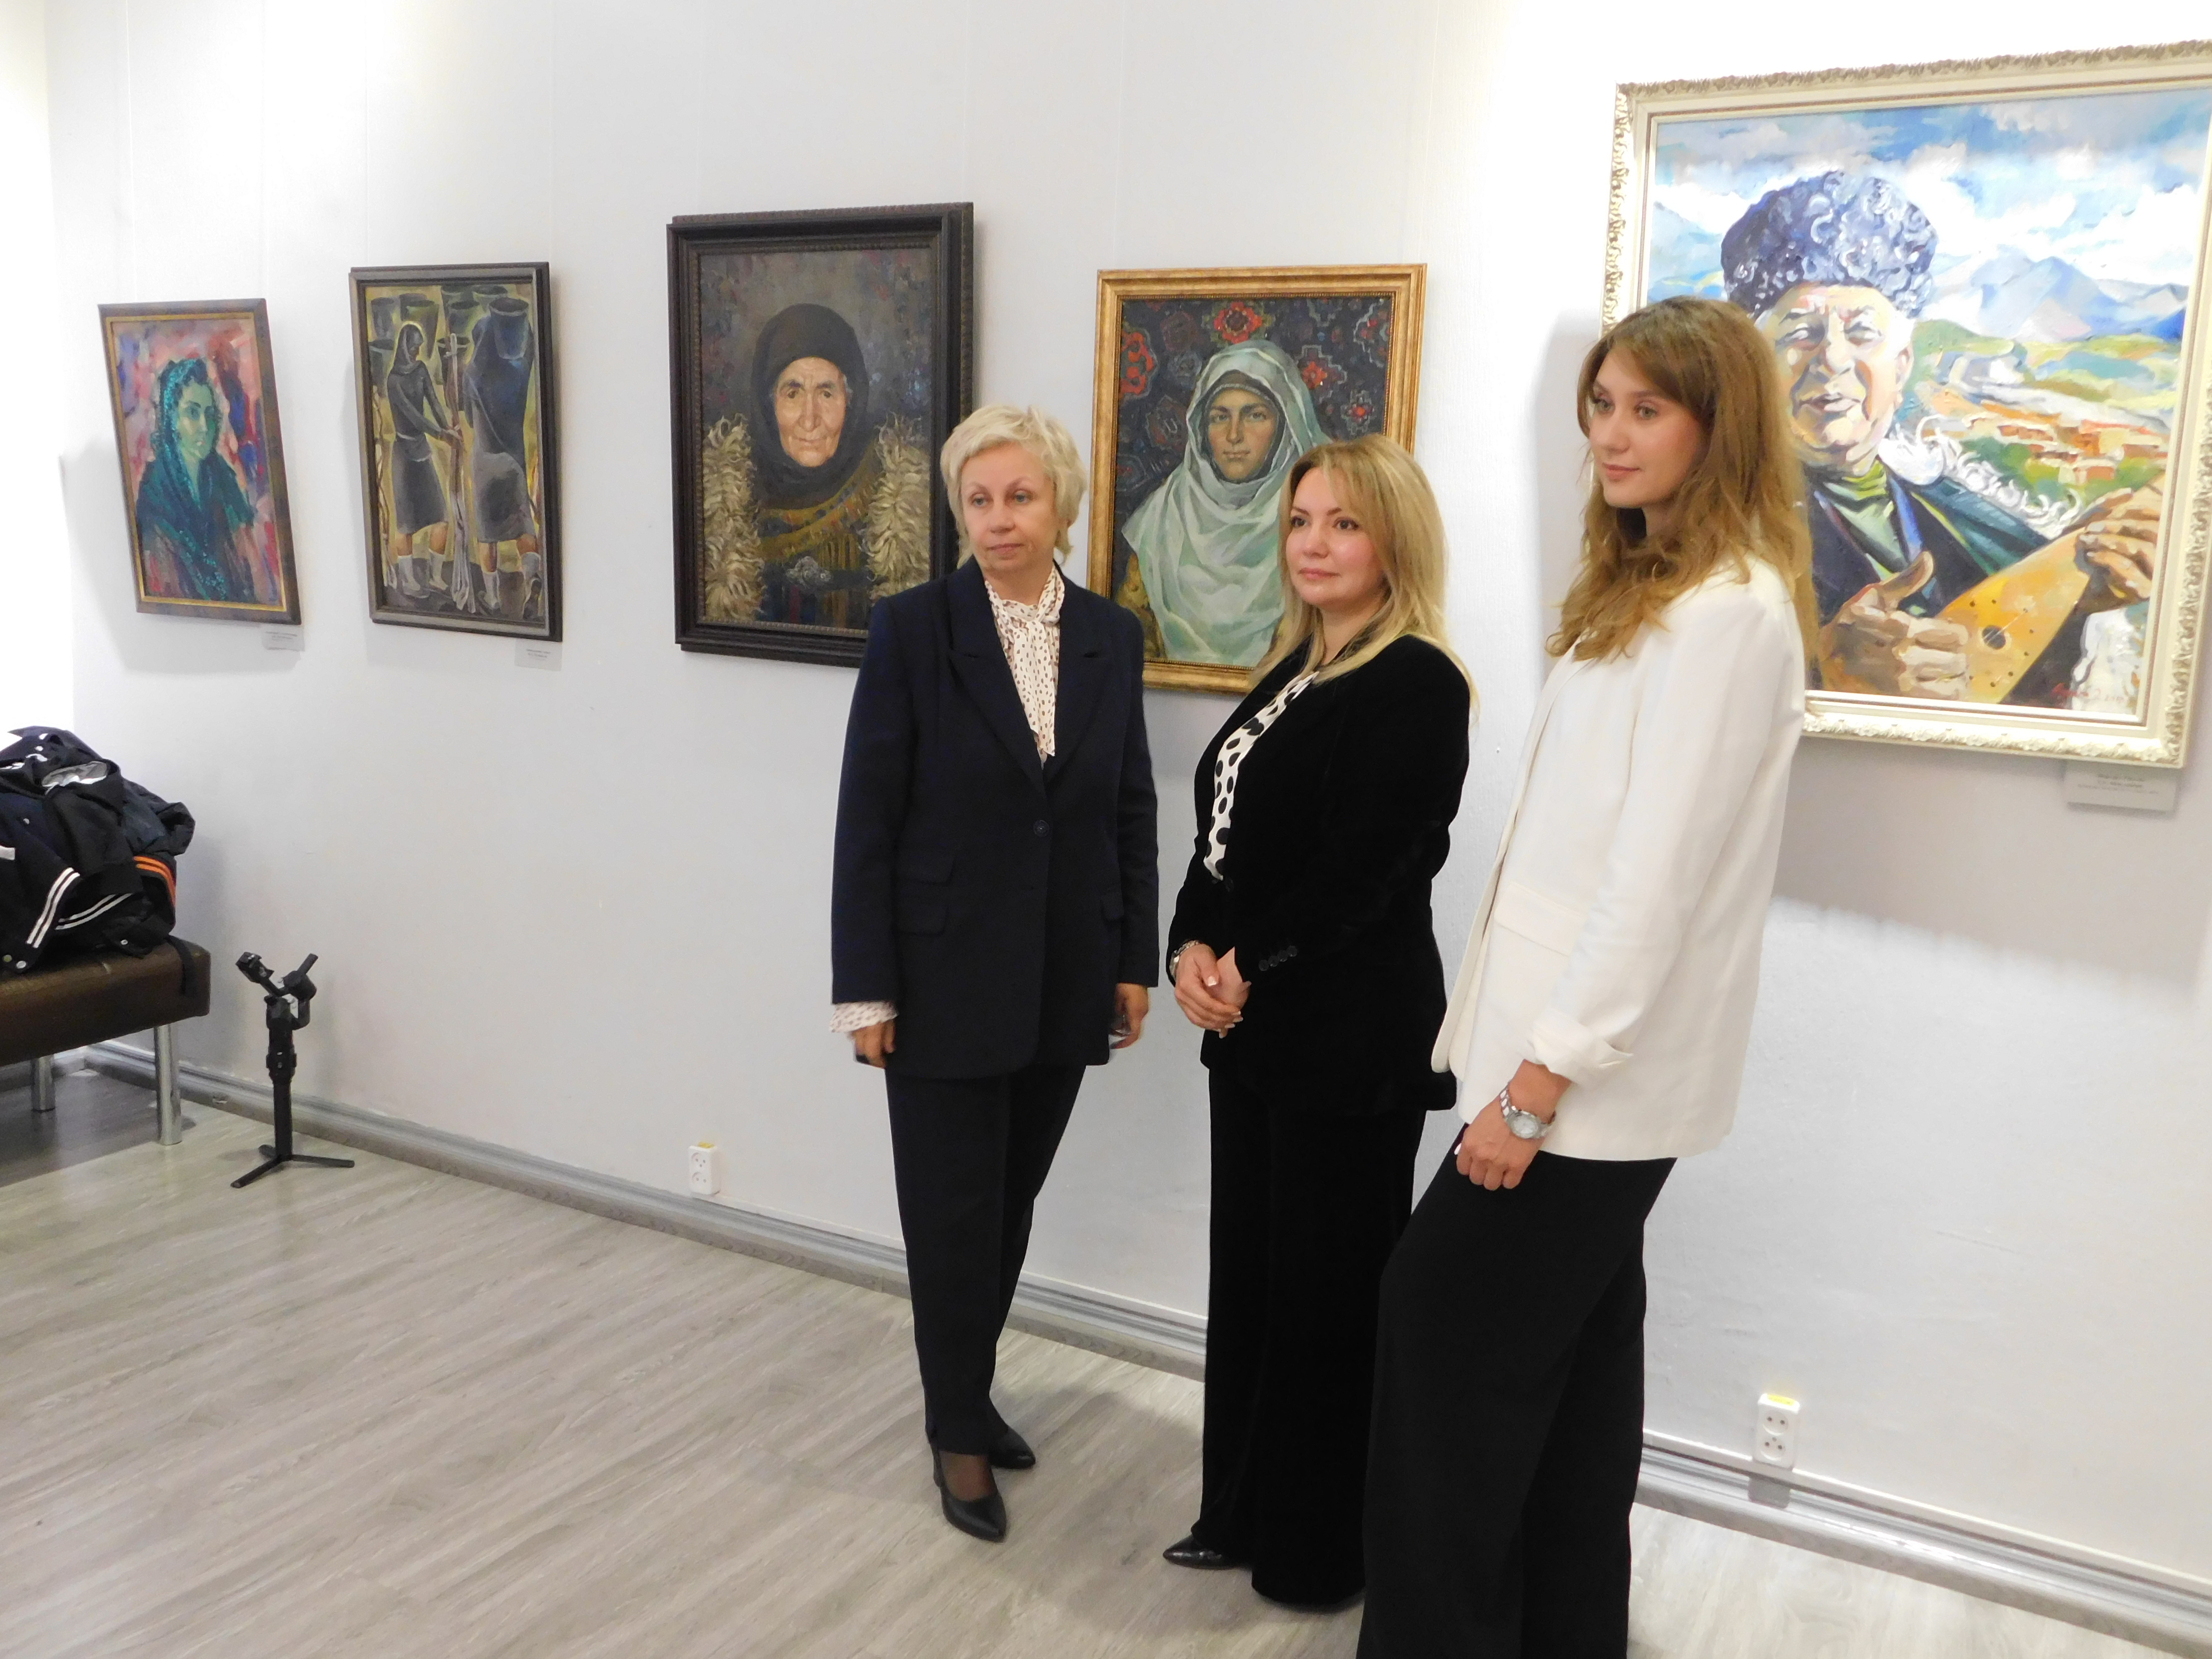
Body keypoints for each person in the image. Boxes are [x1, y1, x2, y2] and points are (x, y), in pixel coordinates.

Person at [1359, 297, 1814, 1657]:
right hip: (1555, 1060)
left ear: (1718, 428)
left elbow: (1652, 881)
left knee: (1437, 1333)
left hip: (1581, 1083)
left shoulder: (1729, 617)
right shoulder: (1648, 590)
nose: (1612, 435)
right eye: (1601, 407)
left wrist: (1536, 1085)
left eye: (1646, 410)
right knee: (1574, 1374)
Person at [829, 404, 1158, 1544]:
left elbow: (1127, 804)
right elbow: (866, 822)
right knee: (951, 1216)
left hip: (1067, 974)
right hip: (938, 979)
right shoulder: (914, 630)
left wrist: (1131, 957)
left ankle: (968, 1387)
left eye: (1021, 496)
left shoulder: (1110, 634)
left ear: (1062, 506)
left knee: (1008, 1206)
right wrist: (866, 990)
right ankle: (955, 1430)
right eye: (978, 499)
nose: (999, 519)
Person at [1160, 433, 1472, 1609]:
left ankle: (1318, 1553)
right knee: (1252, 1284)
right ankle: (1239, 1512)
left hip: (1349, 1043)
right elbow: (1222, 841)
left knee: (1329, 1304)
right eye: (1301, 521)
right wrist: (1189, 947)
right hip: (1254, 1036)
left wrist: (1246, 962)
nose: (1314, 543)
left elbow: (1372, 870)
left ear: (1394, 540)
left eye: (1343, 523)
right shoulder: (1296, 665)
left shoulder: (1418, 681)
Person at [1720, 171, 2159, 706]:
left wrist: (2075, 573)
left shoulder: (1966, 516)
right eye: (1801, 333)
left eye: (1861, 332)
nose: (1832, 359)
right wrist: (1822, 674)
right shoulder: (1718, 525)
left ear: (1902, 365)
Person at [700, 302, 931, 630]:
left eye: (826, 393)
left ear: (851, 400)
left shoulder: (899, 496)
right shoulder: (723, 503)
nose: (810, 419)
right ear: (769, 403)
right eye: (793, 394)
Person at [1118, 338, 1329, 667]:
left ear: (1286, 424)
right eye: (1219, 417)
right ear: (1201, 429)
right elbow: (1131, 642)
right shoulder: (1161, 518)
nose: (1234, 435)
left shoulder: (1314, 519)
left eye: (1254, 415)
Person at [133, 356, 267, 605]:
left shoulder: (222, 478)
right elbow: (162, 583)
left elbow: (249, 559)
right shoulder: (156, 493)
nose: (205, 426)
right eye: (192, 413)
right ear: (172, 419)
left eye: (209, 413)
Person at [463, 295, 544, 620]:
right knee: (524, 528)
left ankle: (494, 599)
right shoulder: (520, 369)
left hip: (485, 462)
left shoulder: (473, 376)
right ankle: (533, 577)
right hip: (514, 462)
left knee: (488, 535)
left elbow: (470, 419)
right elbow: (530, 343)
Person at [382, 321, 457, 601]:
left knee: (441, 519)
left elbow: (434, 403)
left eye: (419, 347)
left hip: (422, 452)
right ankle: (409, 580)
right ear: (404, 346)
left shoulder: (421, 370)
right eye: (414, 347)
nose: (417, 352)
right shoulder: (393, 380)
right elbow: (413, 416)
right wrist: (440, 434)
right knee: (406, 525)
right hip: (404, 456)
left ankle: (435, 577)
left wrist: (447, 427)